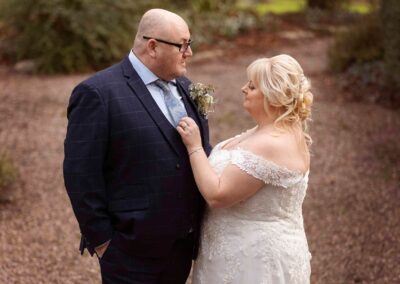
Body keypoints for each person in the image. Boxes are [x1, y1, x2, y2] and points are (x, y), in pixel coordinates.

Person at [63, 9, 212, 283]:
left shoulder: (188, 87)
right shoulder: (98, 93)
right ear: (153, 46)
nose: (189, 53)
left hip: (180, 250)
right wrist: (104, 242)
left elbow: (202, 152)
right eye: (183, 45)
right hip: (129, 254)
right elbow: (80, 175)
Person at [177, 54, 313, 283]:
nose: (243, 89)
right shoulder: (268, 131)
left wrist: (194, 146)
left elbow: (217, 195)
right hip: (231, 252)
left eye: (252, 86)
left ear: (274, 96)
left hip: (253, 262)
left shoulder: (273, 143)